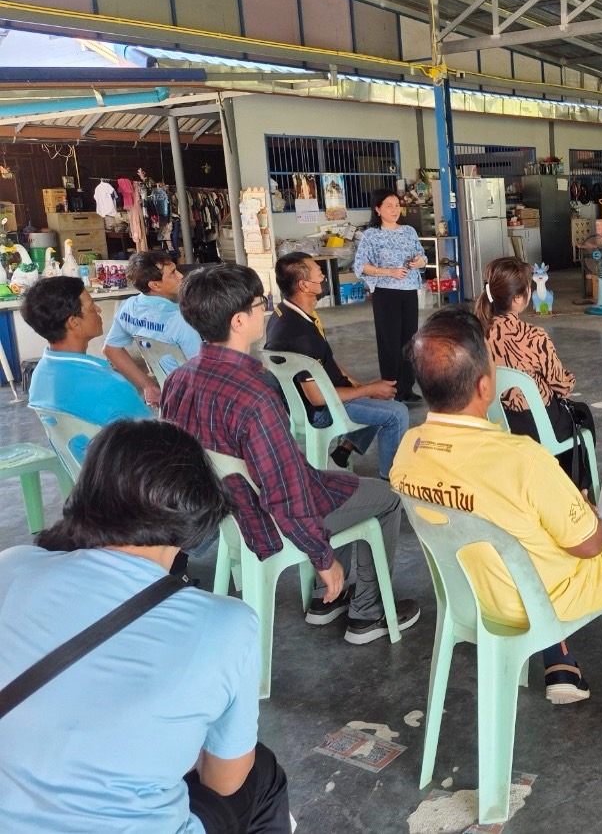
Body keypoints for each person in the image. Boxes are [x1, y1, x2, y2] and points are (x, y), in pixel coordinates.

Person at [391, 307, 602, 706]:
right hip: (541, 600)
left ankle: (559, 657)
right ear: (484, 386)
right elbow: (590, 545)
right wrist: (588, 512)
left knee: (532, 537)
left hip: (473, 598)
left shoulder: (407, 450)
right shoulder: (522, 459)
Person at [0, 419, 291, 833]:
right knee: (260, 771)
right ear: (196, 506)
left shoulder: (11, 566)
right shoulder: (228, 623)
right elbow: (224, 782)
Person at [162, 263, 419, 645]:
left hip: (225, 512)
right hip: (266, 520)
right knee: (385, 498)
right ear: (238, 321)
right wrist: (323, 559)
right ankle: (367, 613)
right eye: (258, 304)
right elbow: (285, 494)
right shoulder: (255, 394)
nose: (265, 309)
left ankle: (327, 601)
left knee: (343, 482)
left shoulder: (178, 380)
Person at [266, 252, 409, 478]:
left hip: (313, 398)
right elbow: (317, 398)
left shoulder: (283, 314)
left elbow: (326, 361)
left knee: (376, 397)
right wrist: (368, 389)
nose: (324, 279)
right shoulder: (300, 335)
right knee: (397, 413)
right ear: (304, 285)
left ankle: (343, 451)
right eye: (319, 275)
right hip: (319, 410)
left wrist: (360, 386)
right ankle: (390, 481)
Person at [475, 256, 595, 490]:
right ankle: (577, 491)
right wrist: (569, 380)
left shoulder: (477, 335)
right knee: (581, 415)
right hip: (535, 426)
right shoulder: (534, 337)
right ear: (518, 299)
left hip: (495, 423)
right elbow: (561, 386)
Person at [22, 275, 150, 462]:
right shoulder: (111, 386)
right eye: (91, 307)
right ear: (74, 322)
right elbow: (157, 445)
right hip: (125, 477)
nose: (98, 310)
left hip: (83, 474)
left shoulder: (40, 376)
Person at [102, 251, 204, 406]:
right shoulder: (181, 319)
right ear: (155, 285)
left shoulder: (128, 307)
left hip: (166, 390)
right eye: (172, 273)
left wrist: (147, 385)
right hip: (193, 398)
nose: (180, 276)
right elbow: (203, 371)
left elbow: (111, 350)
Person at [354, 190, 426, 402]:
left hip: (409, 291)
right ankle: (390, 388)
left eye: (397, 205)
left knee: (409, 340)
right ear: (377, 209)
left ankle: (406, 389)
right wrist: (389, 272)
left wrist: (419, 262)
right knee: (389, 341)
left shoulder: (409, 231)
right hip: (386, 294)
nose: (395, 210)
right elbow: (361, 266)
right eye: (389, 206)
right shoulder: (371, 235)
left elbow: (422, 256)